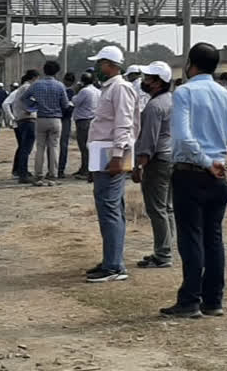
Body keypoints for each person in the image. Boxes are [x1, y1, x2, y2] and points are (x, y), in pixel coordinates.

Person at [160, 43, 227, 318]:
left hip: (191, 172)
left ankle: (189, 300)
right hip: (218, 177)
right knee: (213, 240)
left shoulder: (184, 92)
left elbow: (183, 137)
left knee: (191, 239)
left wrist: (206, 162)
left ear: (190, 64)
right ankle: (213, 300)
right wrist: (215, 157)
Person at [85, 45, 138, 283]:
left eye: (100, 63)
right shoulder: (110, 88)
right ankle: (112, 259)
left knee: (110, 209)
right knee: (110, 208)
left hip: (112, 153)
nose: (97, 68)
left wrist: (118, 156)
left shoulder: (121, 88)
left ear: (110, 64)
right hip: (103, 153)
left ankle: (114, 265)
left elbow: (124, 124)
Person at [132, 61, 175, 269]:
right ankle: (167, 248)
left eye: (149, 78)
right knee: (167, 208)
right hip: (171, 157)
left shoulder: (154, 106)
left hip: (157, 160)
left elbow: (149, 140)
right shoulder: (171, 101)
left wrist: (140, 165)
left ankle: (163, 254)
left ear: (158, 83)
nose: (145, 81)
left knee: (156, 208)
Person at [24, 61, 70, 186]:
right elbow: (65, 104)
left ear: (44, 70)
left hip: (41, 118)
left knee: (40, 148)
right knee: (54, 147)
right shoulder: (60, 86)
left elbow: (24, 97)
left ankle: (38, 175)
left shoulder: (36, 84)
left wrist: (33, 106)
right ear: (57, 71)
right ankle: (53, 175)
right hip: (55, 119)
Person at [3, 69, 40, 183]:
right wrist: (32, 109)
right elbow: (28, 102)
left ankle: (21, 171)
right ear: (34, 78)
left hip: (22, 119)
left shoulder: (22, 88)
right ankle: (23, 173)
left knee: (23, 147)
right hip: (27, 119)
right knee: (26, 148)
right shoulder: (27, 88)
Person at [72, 72, 101, 179]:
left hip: (84, 121)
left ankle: (86, 170)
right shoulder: (98, 91)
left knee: (84, 146)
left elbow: (75, 102)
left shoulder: (84, 91)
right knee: (92, 146)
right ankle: (88, 169)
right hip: (94, 120)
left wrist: (76, 91)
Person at [58, 72, 76, 179]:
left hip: (57, 117)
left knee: (54, 145)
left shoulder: (60, 89)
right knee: (63, 145)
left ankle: (55, 169)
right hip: (65, 120)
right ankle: (60, 170)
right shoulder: (72, 92)